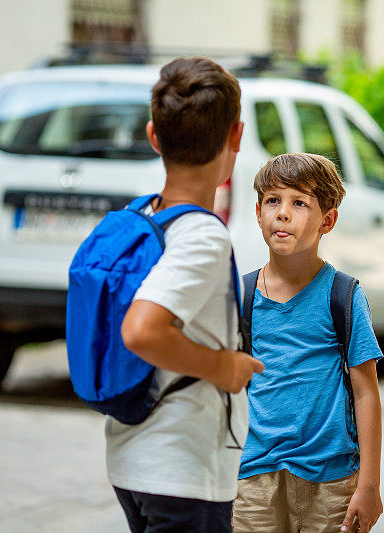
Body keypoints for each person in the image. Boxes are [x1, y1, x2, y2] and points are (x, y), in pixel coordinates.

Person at [113, 56, 264, 532]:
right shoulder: (202, 236)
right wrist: (225, 367)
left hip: (134, 456)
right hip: (181, 470)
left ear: (153, 136)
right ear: (235, 137)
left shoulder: (146, 217)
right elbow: (142, 330)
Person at [233, 153, 384, 533]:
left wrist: (369, 484)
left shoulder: (343, 296)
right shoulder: (241, 295)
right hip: (253, 477)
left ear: (327, 220)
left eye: (299, 203)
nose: (282, 213)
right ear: (257, 212)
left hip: (331, 480)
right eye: (273, 201)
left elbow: (366, 393)